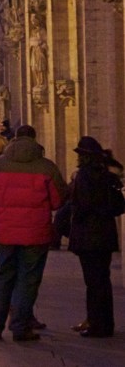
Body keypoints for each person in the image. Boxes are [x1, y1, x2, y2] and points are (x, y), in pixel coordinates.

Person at [0, 124, 67, 342]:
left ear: (14, 139)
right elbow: (58, 201)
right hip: (35, 233)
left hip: (4, 231)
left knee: (3, 277)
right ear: (35, 140)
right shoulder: (47, 167)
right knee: (28, 280)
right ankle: (19, 327)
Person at [68, 136, 124, 338]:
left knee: (93, 282)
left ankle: (96, 324)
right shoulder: (108, 176)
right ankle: (105, 323)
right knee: (103, 280)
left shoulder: (84, 176)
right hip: (106, 234)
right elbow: (119, 206)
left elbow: (82, 206)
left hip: (88, 236)